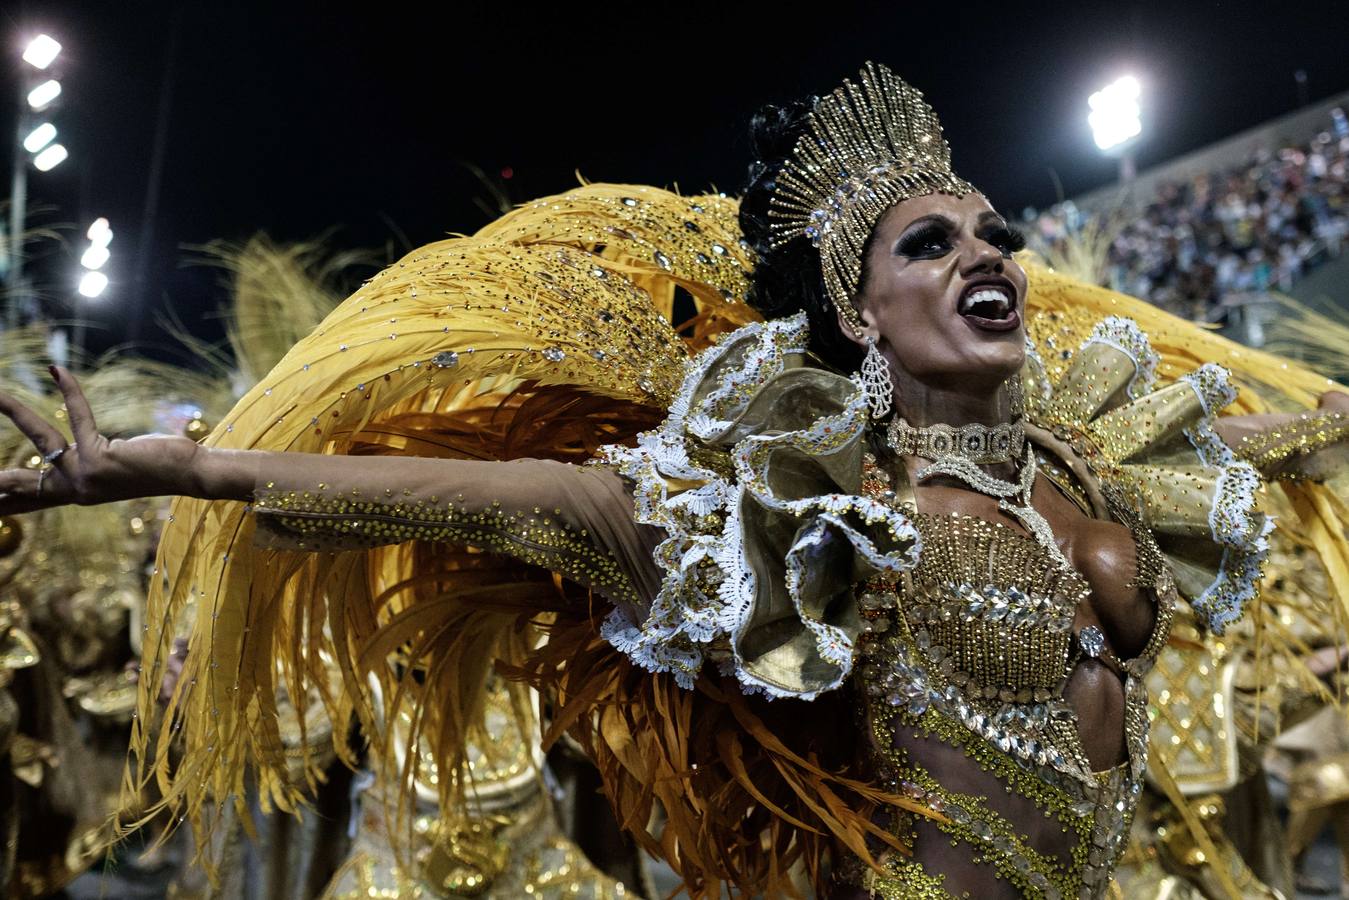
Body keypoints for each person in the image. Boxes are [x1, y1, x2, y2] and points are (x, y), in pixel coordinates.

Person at [3, 62, 1349, 899]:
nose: (980, 249)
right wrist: (201, 469)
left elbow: (1265, 441)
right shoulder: (814, 503)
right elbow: (514, 498)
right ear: (859, 316)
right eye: (927, 243)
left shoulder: (1090, 455)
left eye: (992, 231)